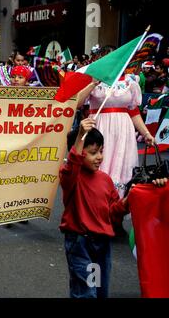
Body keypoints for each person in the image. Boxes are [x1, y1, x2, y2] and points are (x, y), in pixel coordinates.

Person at [60, 118, 167, 298]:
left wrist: (127, 201)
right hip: (80, 243)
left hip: (101, 244)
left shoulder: (105, 180)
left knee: (100, 290)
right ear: (79, 152)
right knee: (86, 293)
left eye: (101, 151)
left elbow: (112, 213)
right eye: (93, 152)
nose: (99, 157)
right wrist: (80, 136)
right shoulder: (72, 177)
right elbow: (72, 164)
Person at [76, 69, 155, 236]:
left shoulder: (130, 81)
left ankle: (116, 218)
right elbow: (77, 103)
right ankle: (94, 218)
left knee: (123, 173)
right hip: (100, 130)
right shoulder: (95, 78)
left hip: (124, 133)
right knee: (98, 172)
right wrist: (92, 84)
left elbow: (134, 112)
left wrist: (146, 133)